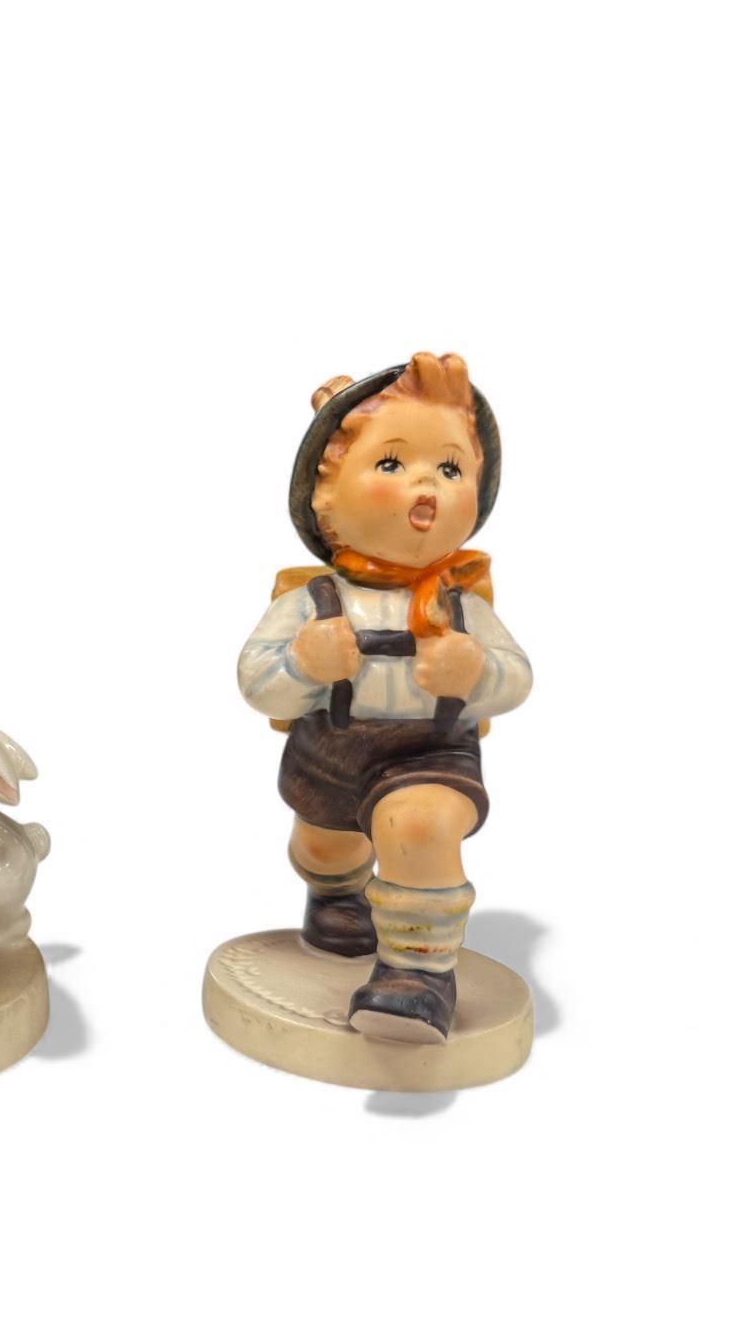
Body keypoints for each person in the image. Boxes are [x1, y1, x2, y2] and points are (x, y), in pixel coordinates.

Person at [238, 353, 532, 1041]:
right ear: (325, 497)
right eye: (392, 463)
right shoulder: (311, 599)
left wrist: (476, 671)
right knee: (326, 848)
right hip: (330, 751)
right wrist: (302, 662)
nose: (425, 484)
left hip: (431, 753)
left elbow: (516, 676)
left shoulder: (461, 607)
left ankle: (417, 974)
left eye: (450, 469)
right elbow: (256, 679)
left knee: (419, 827)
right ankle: (338, 898)